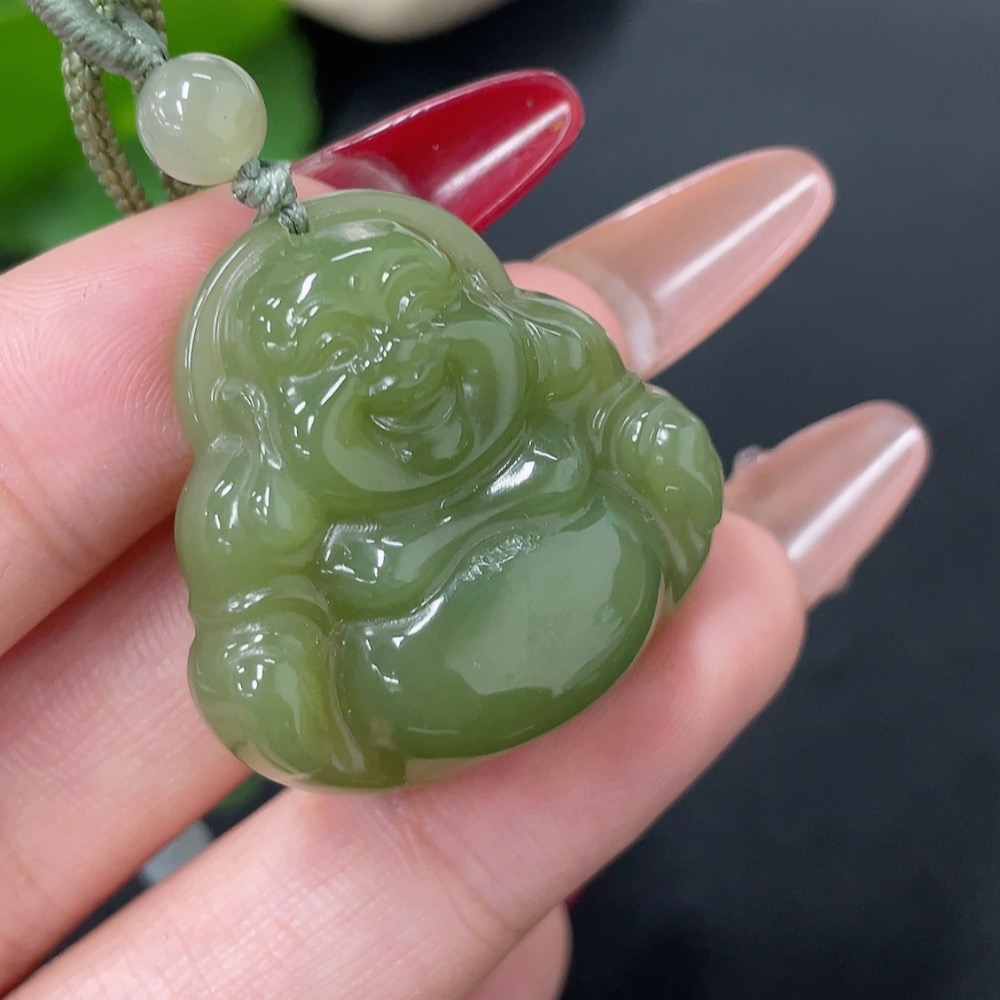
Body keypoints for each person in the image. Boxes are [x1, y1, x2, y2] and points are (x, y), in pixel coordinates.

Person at [0, 149, 927, 998]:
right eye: (335, 357)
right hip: (413, 683)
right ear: (266, 415)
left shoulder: (545, 353)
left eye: (420, 312)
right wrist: (280, 689)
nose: (401, 363)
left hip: (613, 573)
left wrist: (657, 452)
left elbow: (621, 419)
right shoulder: (264, 497)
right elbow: (256, 623)